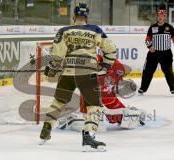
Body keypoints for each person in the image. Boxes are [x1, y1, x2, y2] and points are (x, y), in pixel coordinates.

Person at [39, 3, 117, 152]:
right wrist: (106, 66)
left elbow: (57, 55)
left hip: (68, 73)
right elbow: (111, 49)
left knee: (58, 102)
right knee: (93, 105)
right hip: (87, 73)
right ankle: (88, 135)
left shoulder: (64, 31)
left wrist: (52, 69)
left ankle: (46, 129)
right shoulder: (95, 30)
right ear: (86, 17)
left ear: (74, 16)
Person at [138, 6, 174, 95]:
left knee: (168, 72)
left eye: (162, 15)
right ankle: (143, 88)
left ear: (164, 17)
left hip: (166, 54)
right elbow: (147, 39)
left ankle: (173, 88)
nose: (160, 17)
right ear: (157, 16)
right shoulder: (152, 27)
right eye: (159, 15)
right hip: (153, 54)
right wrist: (150, 47)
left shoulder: (169, 27)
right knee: (147, 72)